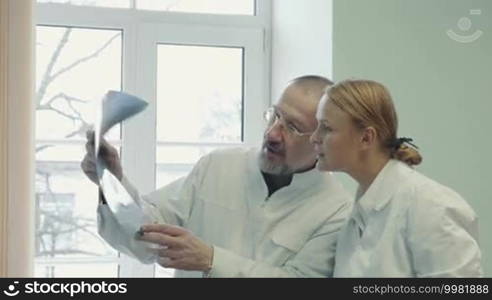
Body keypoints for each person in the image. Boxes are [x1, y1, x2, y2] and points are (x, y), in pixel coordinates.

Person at [81, 75, 352, 277]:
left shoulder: (337, 211)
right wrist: (112, 181)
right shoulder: (218, 166)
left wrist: (211, 260)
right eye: (275, 116)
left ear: (322, 139)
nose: (272, 134)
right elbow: (147, 237)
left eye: (292, 127)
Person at [310, 79, 483, 277]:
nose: (314, 137)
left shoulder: (431, 206)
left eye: (326, 127)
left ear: (366, 138)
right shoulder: (355, 220)